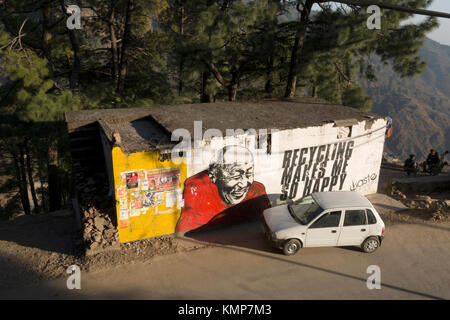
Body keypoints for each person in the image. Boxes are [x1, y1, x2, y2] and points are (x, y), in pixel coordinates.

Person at [175, 145, 270, 232]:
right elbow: (187, 231)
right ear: (214, 176)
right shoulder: (199, 189)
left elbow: (269, 221)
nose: (244, 184)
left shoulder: (257, 190)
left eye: (249, 174)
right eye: (236, 176)